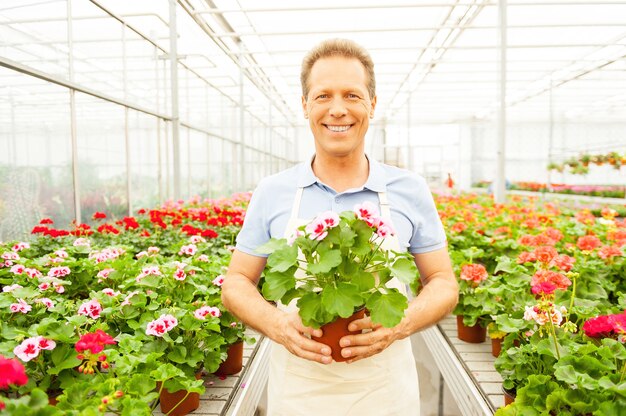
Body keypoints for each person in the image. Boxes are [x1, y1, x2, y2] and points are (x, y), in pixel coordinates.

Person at [222, 38, 458, 416]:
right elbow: (236, 282)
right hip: (300, 392)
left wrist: (398, 325)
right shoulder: (273, 191)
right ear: (304, 106)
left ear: (372, 105)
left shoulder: (409, 189)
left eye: (352, 95)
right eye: (322, 96)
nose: (337, 110)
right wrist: (277, 324)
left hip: (386, 394)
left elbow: (444, 282)